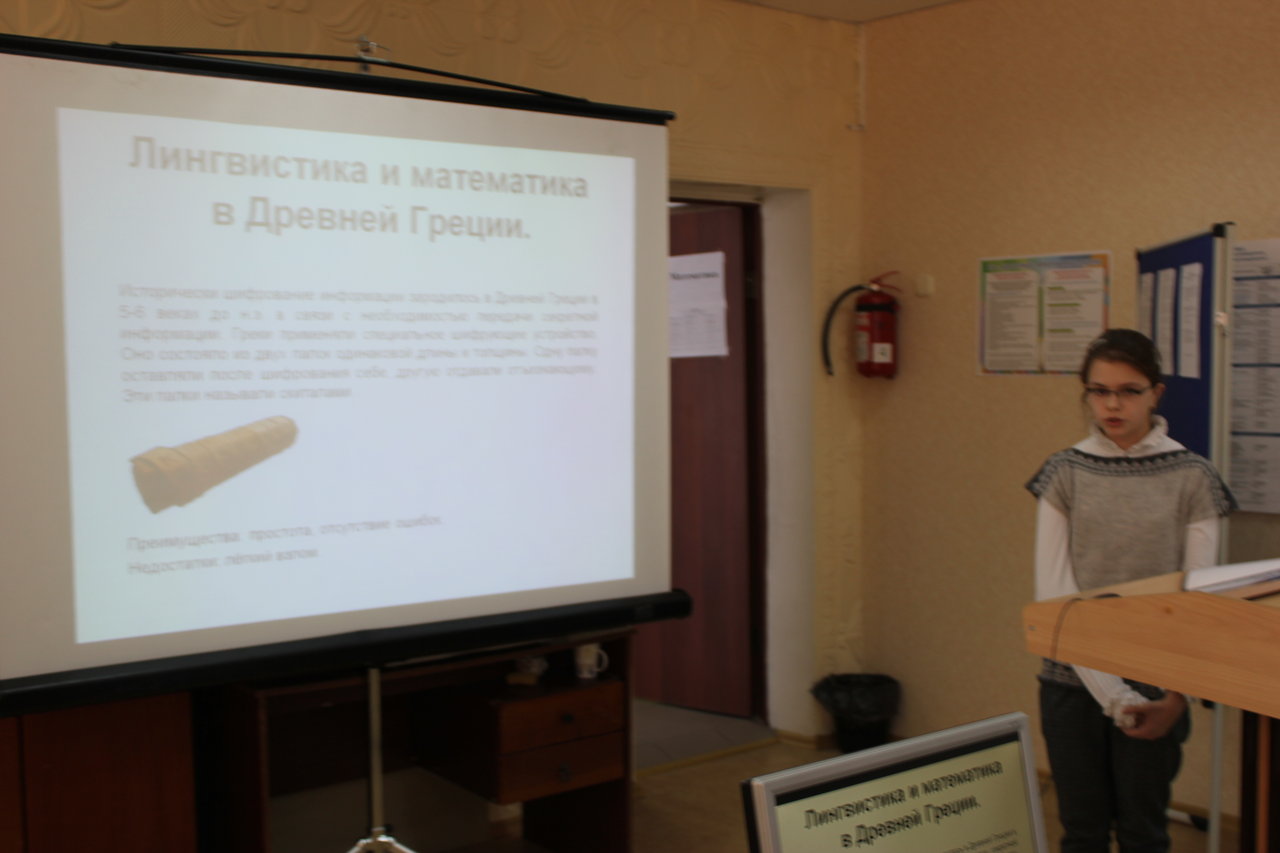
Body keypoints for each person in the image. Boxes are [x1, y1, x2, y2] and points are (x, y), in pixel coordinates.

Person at [1025, 329, 1235, 853]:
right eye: (1099, 391)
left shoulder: (1194, 476)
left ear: (1155, 394)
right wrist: (1114, 697)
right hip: (1071, 684)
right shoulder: (1064, 471)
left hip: (1157, 686)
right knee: (1083, 835)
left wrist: (1175, 697)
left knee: (1144, 834)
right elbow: (1056, 599)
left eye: (1128, 391)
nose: (1113, 405)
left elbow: (1197, 601)